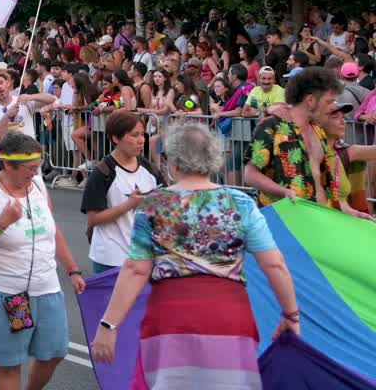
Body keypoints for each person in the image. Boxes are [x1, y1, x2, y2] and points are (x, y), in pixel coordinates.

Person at [90, 125, 299, 387]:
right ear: (213, 159)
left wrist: (109, 325)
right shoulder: (241, 203)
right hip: (230, 316)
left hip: (170, 317)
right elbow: (274, 264)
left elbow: (135, 269)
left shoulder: (154, 204)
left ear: (173, 162)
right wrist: (291, 315)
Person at [0, 132, 85, 390]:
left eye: (38, 167)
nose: (35, 173)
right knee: (10, 363)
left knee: (54, 353)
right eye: (30, 168)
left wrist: (73, 268)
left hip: (45, 287)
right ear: (8, 164)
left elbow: (53, 230)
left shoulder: (38, 185)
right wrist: (1, 225)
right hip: (9, 294)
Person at [244, 67, 354, 213]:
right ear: (310, 100)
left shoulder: (318, 130)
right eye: (329, 101)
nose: (333, 107)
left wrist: (351, 212)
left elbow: (323, 185)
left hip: (318, 218)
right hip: (283, 220)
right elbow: (250, 175)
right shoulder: (271, 126)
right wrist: (284, 192)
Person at [80, 111, 161, 275]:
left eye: (142, 134)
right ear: (116, 138)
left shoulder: (149, 169)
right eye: (134, 135)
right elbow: (94, 218)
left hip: (145, 256)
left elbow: (164, 206)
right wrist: (128, 205)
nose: (141, 140)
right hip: (110, 259)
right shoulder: (102, 172)